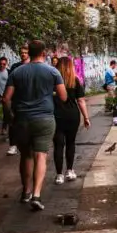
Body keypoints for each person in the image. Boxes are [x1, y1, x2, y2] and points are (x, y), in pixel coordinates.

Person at [4, 40, 66, 211]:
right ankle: (37, 195)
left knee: (26, 156)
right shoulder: (52, 71)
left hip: (22, 119)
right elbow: (63, 96)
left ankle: (26, 192)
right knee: (41, 156)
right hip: (45, 119)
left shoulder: (17, 72)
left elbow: (6, 98)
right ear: (44, 53)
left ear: (28, 53)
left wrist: (11, 116)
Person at [52, 56, 89, 184]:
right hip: (72, 116)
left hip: (56, 115)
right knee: (71, 143)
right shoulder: (75, 81)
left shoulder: (52, 81)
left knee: (58, 145)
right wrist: (86, 117)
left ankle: (58, 175)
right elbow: (81, 101)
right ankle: (69, 170)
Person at [6, 45, 31, 156]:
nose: (23, 54)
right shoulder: (15, 67)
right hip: (17, 99)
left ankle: (28, 143)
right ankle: (13, 145)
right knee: (13, 122)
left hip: (31, 99)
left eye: (25, 52)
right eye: (21, 52)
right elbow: (10, 83)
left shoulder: (33, 66)